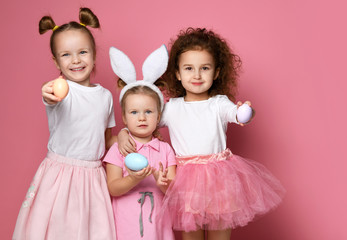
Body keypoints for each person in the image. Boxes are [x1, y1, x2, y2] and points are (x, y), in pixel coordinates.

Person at [118, 28, 285, 240]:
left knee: (219, 234)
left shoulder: (219, 103)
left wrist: (246, 112)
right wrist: (124, 133)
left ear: (216, 73)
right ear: (177, 73)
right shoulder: (172, 107)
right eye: (189, 68)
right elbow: (145, 124)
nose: (196, 75)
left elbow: (238, 114)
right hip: (185, 181)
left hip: (220, 179)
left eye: (204, 68)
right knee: (191, 235)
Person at [13, 8, 116, 240]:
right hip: (60, 176)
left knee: (90, 232)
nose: (76, 60)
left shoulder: (105, 96)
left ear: (93, 55)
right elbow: (49, 96)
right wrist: (48, 93)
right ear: (56, 61)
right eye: (66, 55)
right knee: (56, 230)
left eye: (82, 52)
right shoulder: (60, 90)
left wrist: (130, 139)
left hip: (93, 178)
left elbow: (107, 139)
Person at [105, 46, 176, 239]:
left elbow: (172, 190)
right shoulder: (119, 148)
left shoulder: (166, 149)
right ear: (125, 118)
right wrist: (133, 179)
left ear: (159, 116)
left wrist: (162, 183)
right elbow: (113, 187)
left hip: (158, 227)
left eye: (149, 112)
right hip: (126, 226)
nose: (142, 118)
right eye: (134, 112)